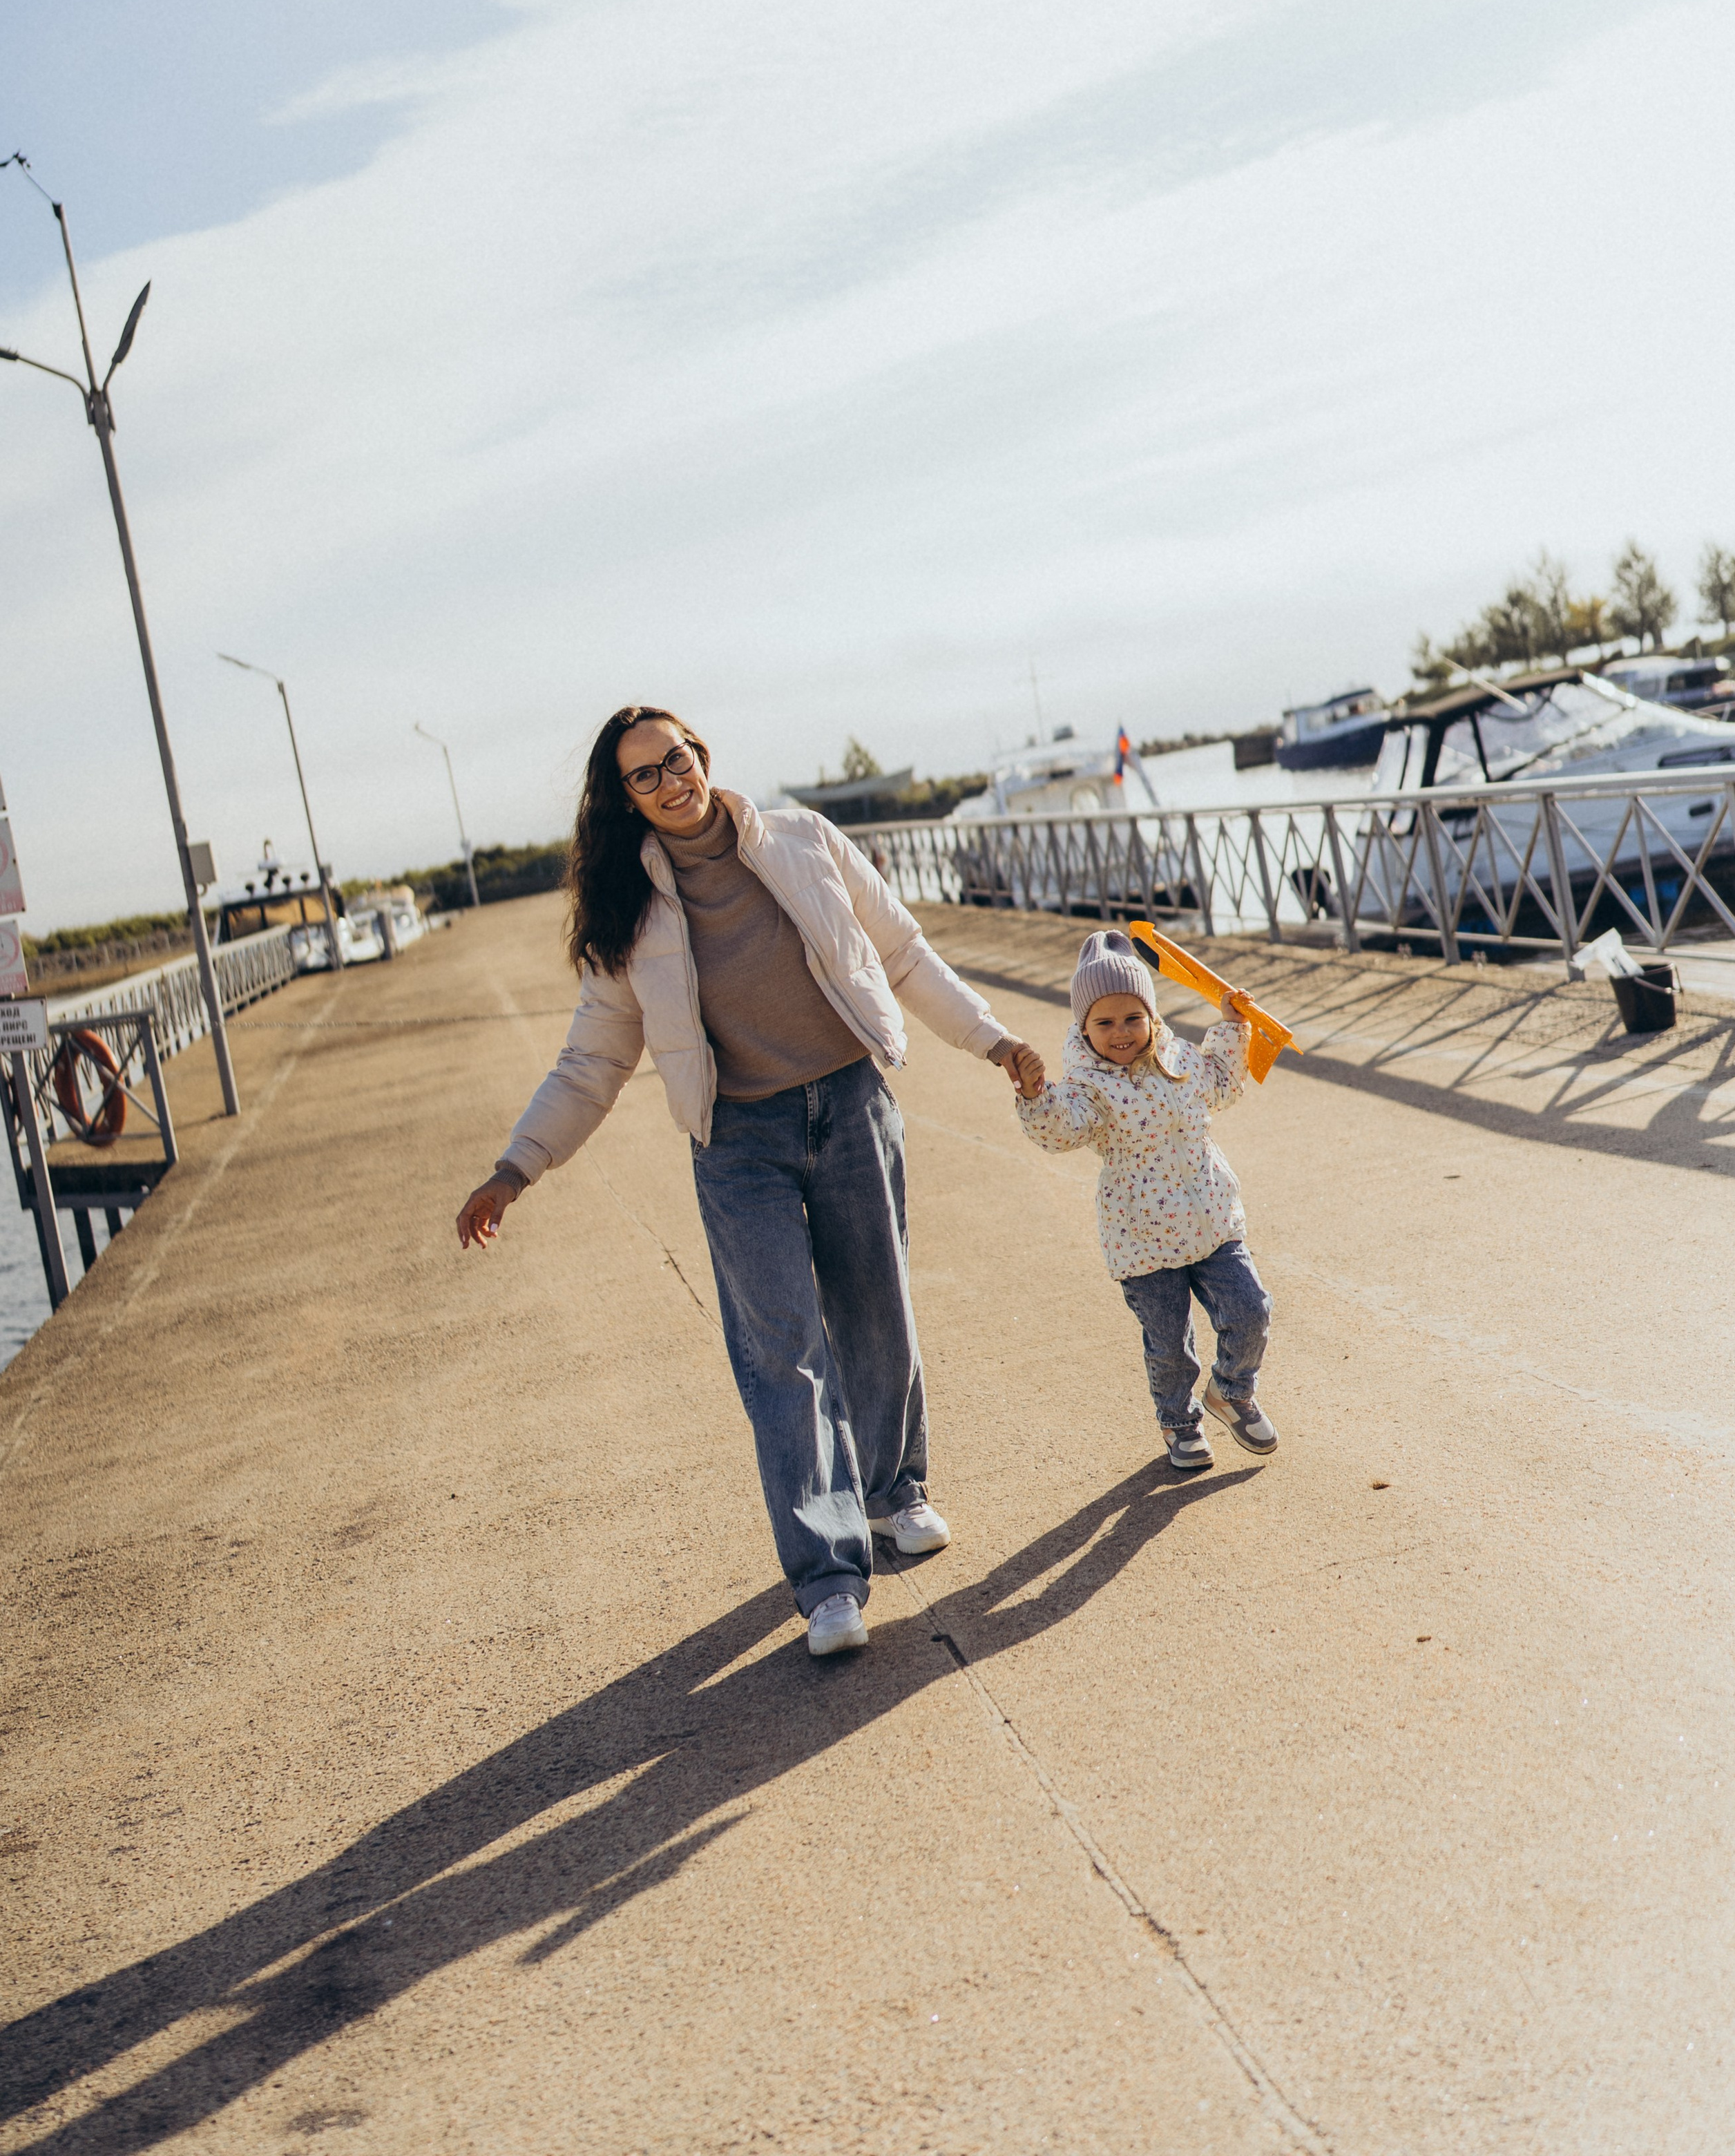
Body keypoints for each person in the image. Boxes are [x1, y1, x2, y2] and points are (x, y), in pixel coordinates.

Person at [455, 705, 1046, 1659]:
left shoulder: (803, 839)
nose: (668, 782)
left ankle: (895, 1497)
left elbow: (901, 953)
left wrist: (993, 1038)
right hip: (737, 1143)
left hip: (851, 1107)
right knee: (783, 1356)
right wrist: (514, 1168)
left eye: (676, 760)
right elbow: (592, 1063)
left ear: (704, 757)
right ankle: (828, 1580)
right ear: (627, 799)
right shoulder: (626, 909)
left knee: (875, 1314)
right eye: (643, 776)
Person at [1012, 927, 1278, 1471]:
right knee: (1170, 1346)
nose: (1121, 1033)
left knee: (1251, 1310)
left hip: (1211, 1221)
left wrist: (1232, 1025)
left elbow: (1224, 1084)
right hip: (1143, 1241)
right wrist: (1036, 1098)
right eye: (1104, 1023)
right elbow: (1061, 1131)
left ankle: (1231, 1389)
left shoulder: (1179, 1058)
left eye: (1133, 1018)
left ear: (1151, 1016)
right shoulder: (1088, 1087)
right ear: (1083, 1028)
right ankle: (1180, 1423)